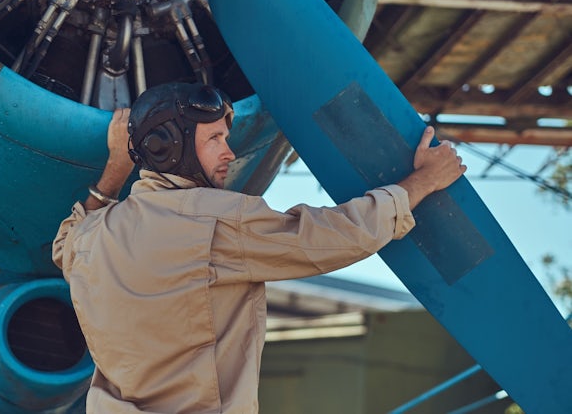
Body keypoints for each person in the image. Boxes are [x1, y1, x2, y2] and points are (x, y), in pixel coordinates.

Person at [53, 83, 467, 413]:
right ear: (168, 145)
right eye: (214, 138)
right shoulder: (214, 219)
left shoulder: (92, 238)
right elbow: (340, 236)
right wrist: (424, 182)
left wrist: (113, 172)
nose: (229, 153)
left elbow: (63, 244)